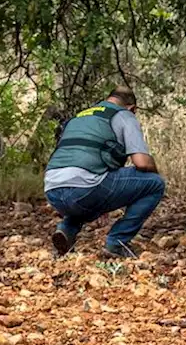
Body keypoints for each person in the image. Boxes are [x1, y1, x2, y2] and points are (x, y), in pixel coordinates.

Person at [44, 85, 164, 259]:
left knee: (87, 194)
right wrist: (156, 171)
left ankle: (66, 230)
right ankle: (117, 242)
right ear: (132, 108)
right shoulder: (124, 115)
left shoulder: (79, 116)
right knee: (155, 184)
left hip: (52, 189)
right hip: (85, 188)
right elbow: (141, 162)